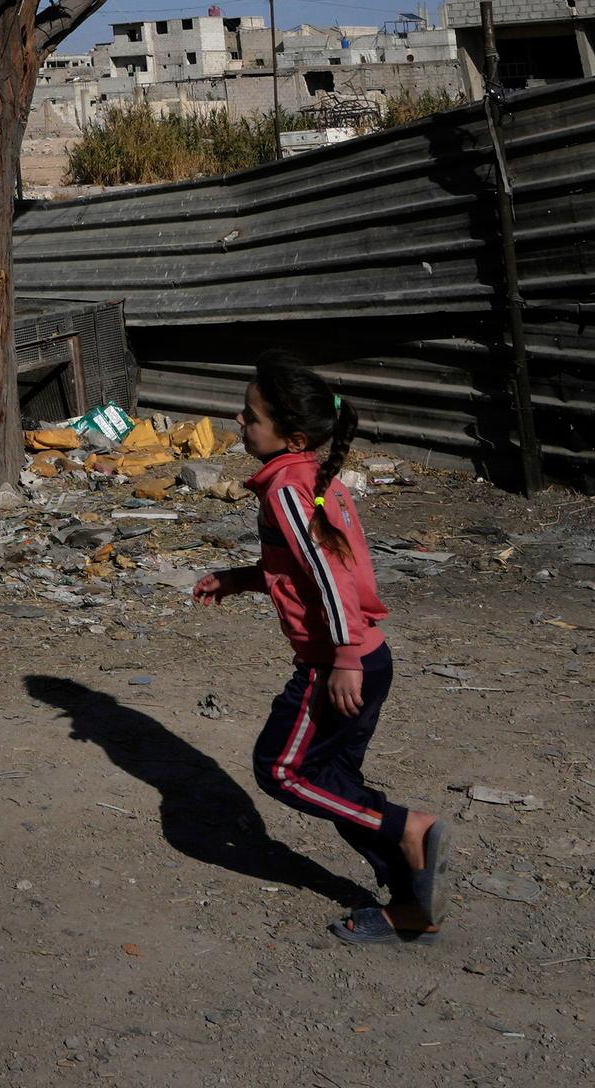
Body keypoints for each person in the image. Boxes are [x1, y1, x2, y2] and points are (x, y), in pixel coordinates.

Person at [193, 359, 447, 942]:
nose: (239, 422)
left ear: (294, 437)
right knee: (333, 781)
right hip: (368, 656)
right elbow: (305, 572)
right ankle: (410, 907)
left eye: (251, 417)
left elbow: (330, 579)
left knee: (281, 770)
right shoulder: (311, 478)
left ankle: (409, 827)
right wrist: (241, 578)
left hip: (341, 663)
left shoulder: (286, 489)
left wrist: (343, 658)